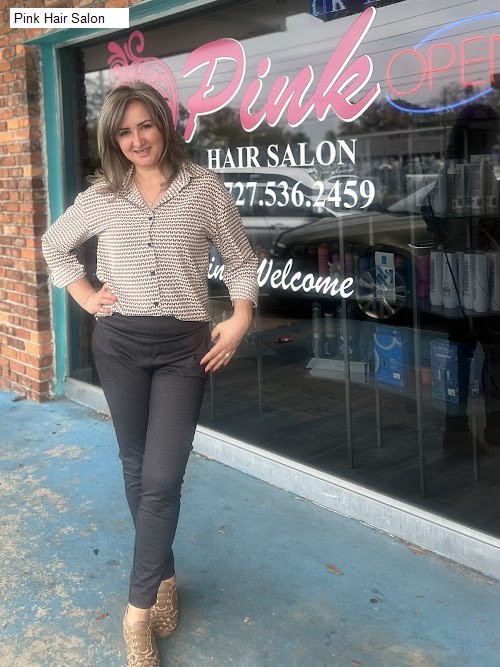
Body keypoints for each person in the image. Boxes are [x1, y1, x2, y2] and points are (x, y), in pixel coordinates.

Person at [42, 81, 258, 666]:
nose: (137, 140)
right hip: (119, 347)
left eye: (146, 125)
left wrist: (240, 316)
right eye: (124, 131)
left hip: (185, 351)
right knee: (136, 468)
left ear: (164, 124)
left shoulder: (204, 189)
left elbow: (241, 260)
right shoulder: (103, 195)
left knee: (161, 478)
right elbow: (55, 245)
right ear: (113, 139)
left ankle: (136, 615)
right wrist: (86, 296)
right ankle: (162, 577)